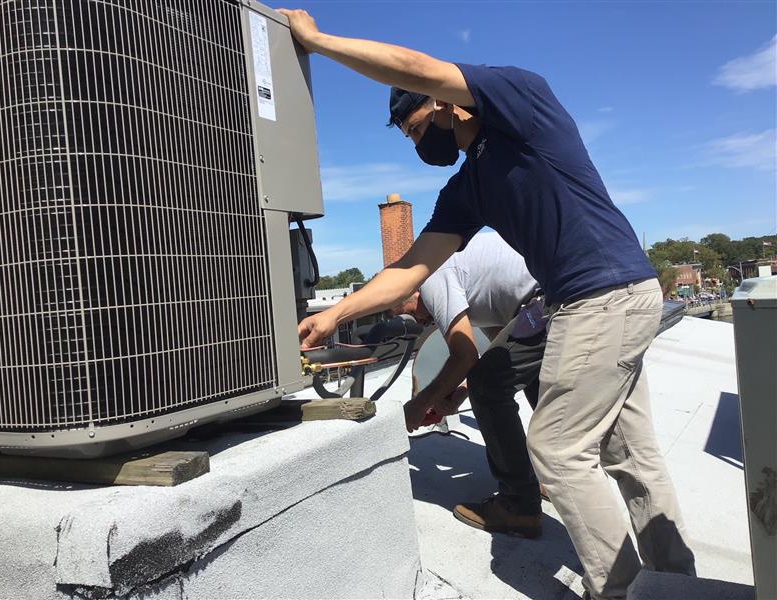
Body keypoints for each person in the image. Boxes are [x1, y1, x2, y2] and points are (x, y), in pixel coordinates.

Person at [278, 8, 695, 599]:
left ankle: (623, 591)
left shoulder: (522, 101)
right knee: (629, 451)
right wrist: (334, 314)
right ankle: (678, 584)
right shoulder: (467, 186)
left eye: (416, 126)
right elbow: (408, 272)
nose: (418, 142)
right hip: (606, 299)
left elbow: (418, 67)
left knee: (555, 452)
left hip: (599, 294)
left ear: (444, 103)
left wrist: (317, 43)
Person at [394, 231, 547, 538]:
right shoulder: (479, 293)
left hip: (550, 299)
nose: (421, 323)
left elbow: (464, 357)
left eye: (411, 314)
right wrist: (461, 392)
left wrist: (418, 404)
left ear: (412, 291)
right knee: (533, 387)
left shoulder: (431, 277)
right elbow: (499, 352)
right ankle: (553, 479)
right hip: (554, 296)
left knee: (488, 386)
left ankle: (519, 505)